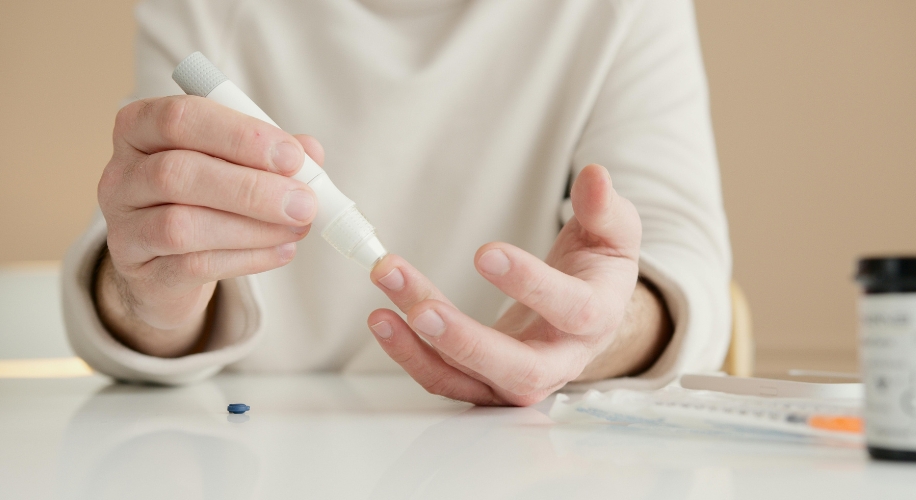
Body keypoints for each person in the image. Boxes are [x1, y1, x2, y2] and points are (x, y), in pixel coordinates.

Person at [62, 0, 732, 406]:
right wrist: (152, 291)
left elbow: (680, 257)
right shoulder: (206, 12)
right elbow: (134, 266)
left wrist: (597, 328)